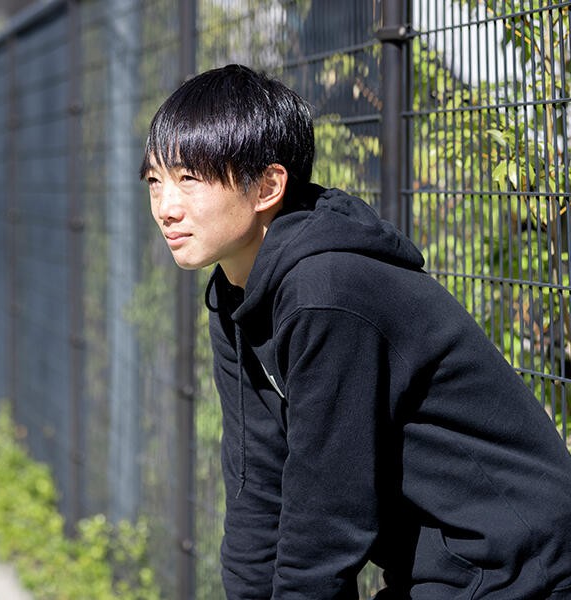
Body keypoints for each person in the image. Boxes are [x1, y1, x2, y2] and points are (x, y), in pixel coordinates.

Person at [139, 63, 571, 599]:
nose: (166, 208)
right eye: (155, 180)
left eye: (189, 179)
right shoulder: (234, 295)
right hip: (444, 566)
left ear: (268, 185)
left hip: (518, 564)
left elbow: (326, 513)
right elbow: (257, 489)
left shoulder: (328, 291)